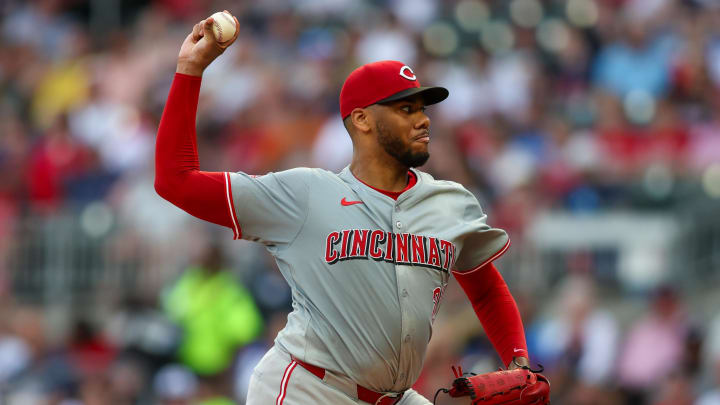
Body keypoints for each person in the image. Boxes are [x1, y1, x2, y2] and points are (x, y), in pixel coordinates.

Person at [155, 14, 531, 405]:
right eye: (406, 109)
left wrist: (519, 363)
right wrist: (190, 69)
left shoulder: (449, 202)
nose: (423, 120)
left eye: (422, 108)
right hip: (310, 388)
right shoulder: (305, 194)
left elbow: (485, 288)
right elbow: (175, 181)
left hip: (395, 397)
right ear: (363, 120)